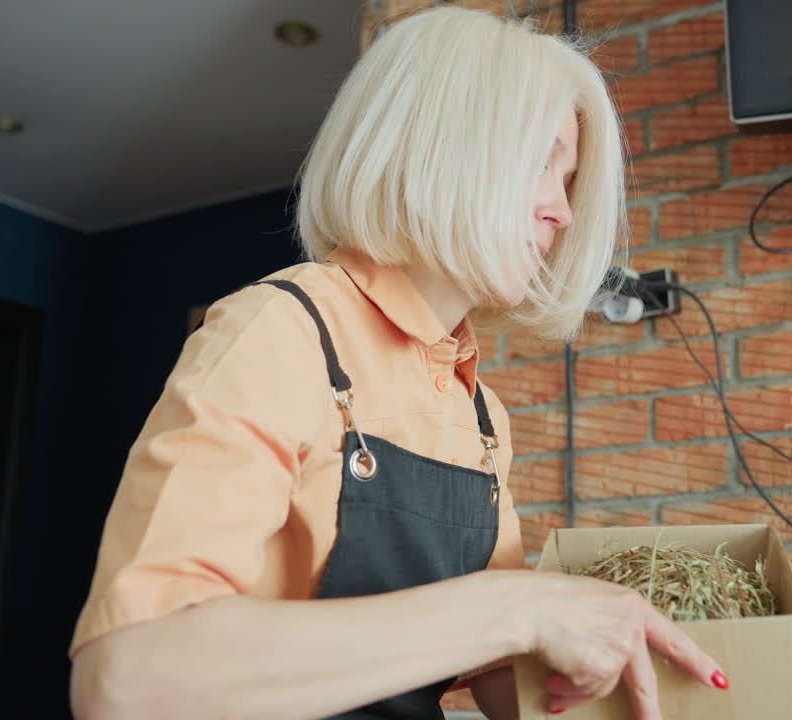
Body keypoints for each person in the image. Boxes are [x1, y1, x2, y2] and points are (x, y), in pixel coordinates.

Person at [67, 7, 727, 720]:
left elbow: (500, 673)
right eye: (542, 163)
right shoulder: (280, 334)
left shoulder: (481, 417)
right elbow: (128, 678)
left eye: (567, 182)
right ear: (439, 148)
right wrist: (517, 607)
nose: (561, 213)